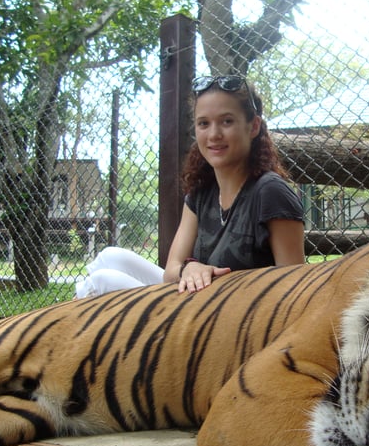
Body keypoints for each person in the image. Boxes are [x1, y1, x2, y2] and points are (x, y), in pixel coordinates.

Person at [74, 75, 305, 297]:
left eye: (227, 121)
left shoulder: (271, 192)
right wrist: (190, 268)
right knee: (110, 257)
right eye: (204, 123)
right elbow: (171, 270)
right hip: (193, 302)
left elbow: (294, 288)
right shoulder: (201, 191)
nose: (214, 134)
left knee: (103, 282)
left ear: (253, 126)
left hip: (230, 315)